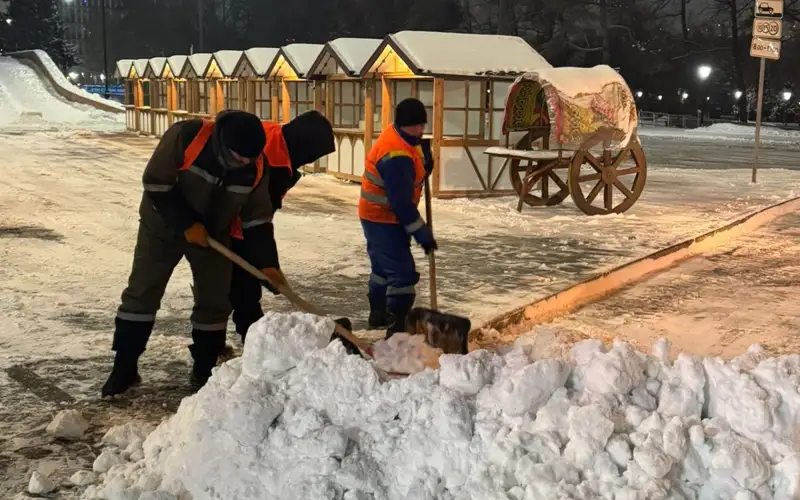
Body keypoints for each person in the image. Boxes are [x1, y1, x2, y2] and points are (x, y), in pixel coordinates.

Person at [102, 110, 287, 397]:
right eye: (240, 158)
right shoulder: (188, 136)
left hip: (214, 235)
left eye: (251, 158)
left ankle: (204, 368)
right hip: (161, 228)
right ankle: (124, 367)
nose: (246, 163)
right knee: (142, 292)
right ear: (224, 143)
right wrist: (186, 223)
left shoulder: (256, 167)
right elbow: (155, 181)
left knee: (215, 299)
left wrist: (268, 265)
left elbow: (257, 220)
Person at [228, 111, 336, 343]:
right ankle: (245, 341)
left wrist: (269, 264)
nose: (309, 161)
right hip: (227, 223)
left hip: (248, 222)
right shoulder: (268, 158)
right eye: (312, 155)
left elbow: (260, 216)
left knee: (246, 280)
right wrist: (267, 264)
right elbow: (254, 216)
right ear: (303, 146)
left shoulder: (276, 139)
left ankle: (251, 336)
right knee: (237, 285)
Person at [358, 98, 437, 338]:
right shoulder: (397, 157)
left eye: (423, 124)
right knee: (402, 274)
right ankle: (397, 329)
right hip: (384, 217)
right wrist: (421, 233)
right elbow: (401, 204)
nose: (422, 130)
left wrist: (424, 163)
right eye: (417, 126)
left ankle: (378, 314)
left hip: (374, 215)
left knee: (383, 267)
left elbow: (411, 171)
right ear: (404, 125)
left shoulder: (400, 137)